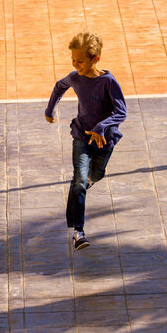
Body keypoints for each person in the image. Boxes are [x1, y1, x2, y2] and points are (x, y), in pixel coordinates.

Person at [45, 30, 127, 250]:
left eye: (80, 61)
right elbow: (59, 86)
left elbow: (121, 112)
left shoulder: (108, 82)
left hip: (104, 140)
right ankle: (78, 232)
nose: (75, 65)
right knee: (79, 179)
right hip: (81, 135)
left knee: (95, 175)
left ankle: (82, 187)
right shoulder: (75, 78)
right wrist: (50, 109)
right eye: (73, 60)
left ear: (95, 59)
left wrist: (101, 127)